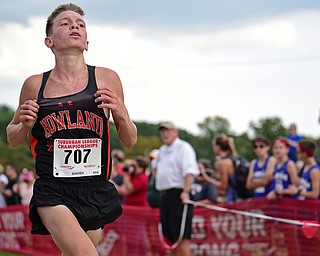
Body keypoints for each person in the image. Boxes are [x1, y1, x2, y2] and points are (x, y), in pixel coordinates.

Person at [6, 3, 137, 256]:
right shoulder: (35, 85)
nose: (74, 26)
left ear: (87, 42)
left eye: (80, 24)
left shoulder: (107, 78)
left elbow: (130, 139)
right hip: (53, 189)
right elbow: (13, 138)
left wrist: (119, 111)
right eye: (65, 23)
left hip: (94, 188)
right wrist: (21, 122)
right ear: (49, 41)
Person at [155, 121, 199, 256]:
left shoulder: (183, 148)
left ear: (176, 132)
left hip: (179, 194)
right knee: (170, 237)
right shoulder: (162, 150)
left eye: (168, 130)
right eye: (162, 131)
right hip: (165, 196)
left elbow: (189, 171)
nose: (164, 133)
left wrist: (186, 191)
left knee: (182, 237)